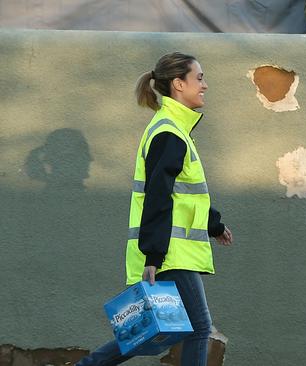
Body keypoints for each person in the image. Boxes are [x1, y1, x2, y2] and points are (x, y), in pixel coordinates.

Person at [76, 52, 233, 366]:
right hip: (170, 251)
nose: (204, 85)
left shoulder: (173, 129)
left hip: (169, 249)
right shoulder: (169, 133)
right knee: (196, 328)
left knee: (153, 330)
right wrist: (153, 256)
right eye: (199, 78)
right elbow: (158, 197)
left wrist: (213, 224)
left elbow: (185, 193)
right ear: (178, 84)